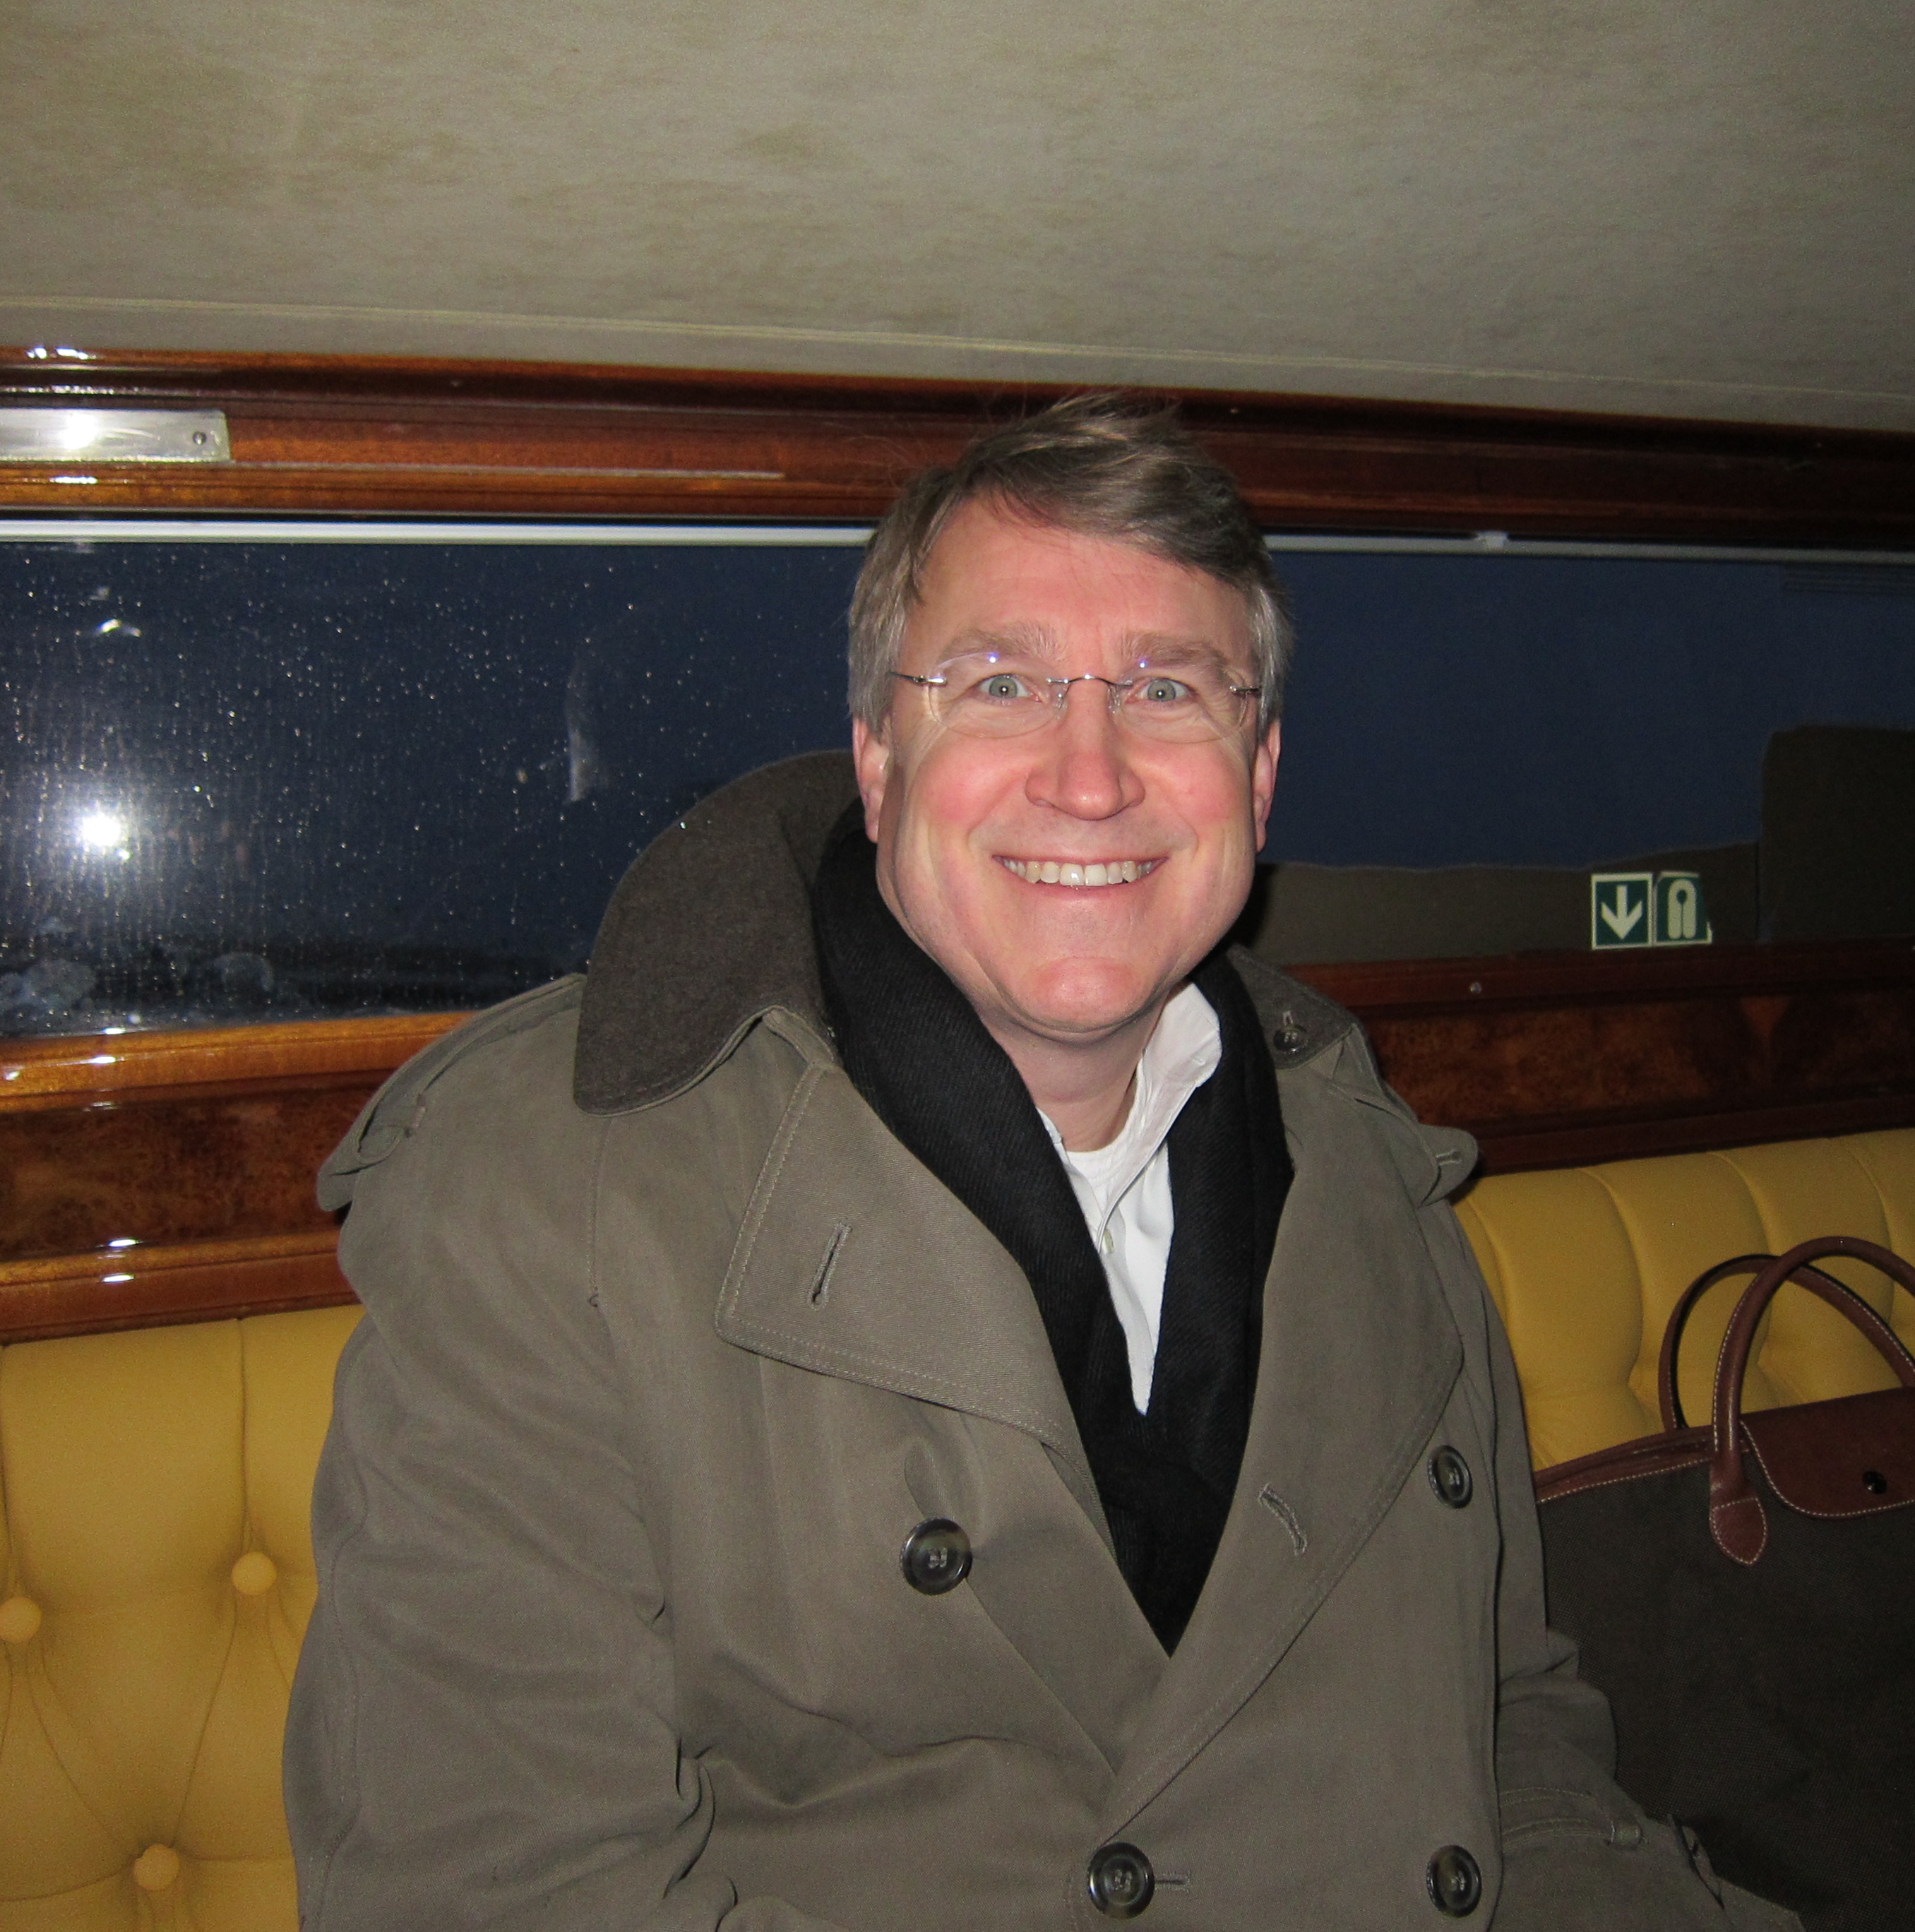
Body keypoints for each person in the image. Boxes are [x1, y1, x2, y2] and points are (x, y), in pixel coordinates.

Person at [285, 395, 1796, 1931]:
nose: (1091, 776)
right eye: (1001, 683)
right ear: (881, 760)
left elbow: (1511, 1727)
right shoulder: (548, 1193)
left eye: (1168, 689)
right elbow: (492, 1892)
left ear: (1259, 775)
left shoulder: (1375, 1172)